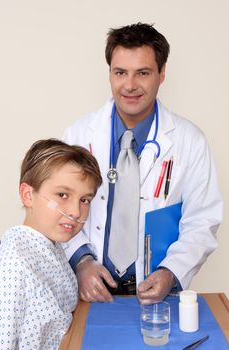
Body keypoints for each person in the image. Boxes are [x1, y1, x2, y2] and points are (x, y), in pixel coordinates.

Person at [62, 22, 223, 305]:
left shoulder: (190, 141)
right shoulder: (78, 135)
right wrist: (82, 263)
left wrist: (171, 272)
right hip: (90, 290)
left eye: (143, 73)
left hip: (156, 294)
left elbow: (202, 220)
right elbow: (60, 210)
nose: (130, 85)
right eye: (120, 72)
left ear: (162, 74)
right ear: (110, 74)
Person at [0, 139, 102, 349]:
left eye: (85, 200)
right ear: (28, 195)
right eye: (62, 195)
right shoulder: (14, 263)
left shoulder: (51, 245)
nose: (75, 211)